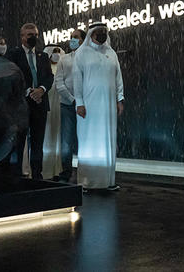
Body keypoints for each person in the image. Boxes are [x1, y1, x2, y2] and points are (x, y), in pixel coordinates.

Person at [73, 22, 124, 191]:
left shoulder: (111, 53)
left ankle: (107, 181)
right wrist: (79, 103)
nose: (101, 34)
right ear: (91, 34)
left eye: (104, 32)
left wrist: (120, 99)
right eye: (98, 32)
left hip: (109, 106)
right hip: (88, 105)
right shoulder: (82, 53)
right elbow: (77, 80)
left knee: (107, 140)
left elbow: (118, 79)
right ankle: (86, 182)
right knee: (89, 141)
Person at [8, 23, 53, 180]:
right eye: (29, 35)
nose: (33, 37)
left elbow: (49, 77)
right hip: (21, 105)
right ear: (22, 37)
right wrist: (29, 91)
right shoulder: (13, 54)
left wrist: (41, 89)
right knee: (19, 143)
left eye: (35, 34)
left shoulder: (43, 56)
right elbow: (12, 77)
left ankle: (37, 176)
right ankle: (16, 176)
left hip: (40, 104)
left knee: (37, 143)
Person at [55, 30, 85, 183]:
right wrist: (73, 100)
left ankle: (85, 172)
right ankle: (66, 172)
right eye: (71, 37)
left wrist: (82, 101)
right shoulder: (64, 59)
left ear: (83, 40)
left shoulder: (87, 58)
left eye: (76, 37)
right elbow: (59, 83)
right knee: (66, 141)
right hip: (67, 105)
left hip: (86, 107)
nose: (72, 40)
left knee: (85, 140)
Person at [41, 44, 64, 180]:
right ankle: (43, 168)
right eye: (53, 52)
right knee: (45, 136)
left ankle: (56, 170)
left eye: (58, 51)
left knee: (57, 138)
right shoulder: (44, 69)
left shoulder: (62, 68)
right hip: (46, 107)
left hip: (59, 109)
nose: (56, 54)